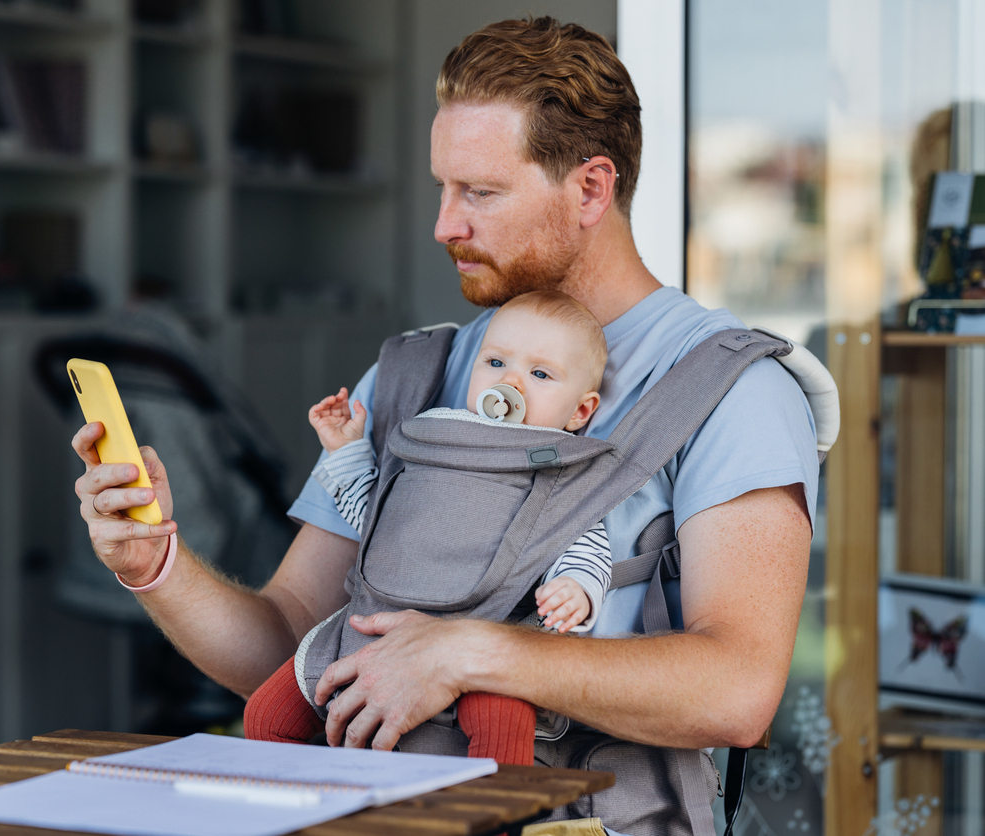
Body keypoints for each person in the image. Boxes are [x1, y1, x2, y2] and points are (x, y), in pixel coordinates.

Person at [72, 17, 815, 834]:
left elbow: (739, 691)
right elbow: (287, 645)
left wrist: (467, 652)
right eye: (442, 188)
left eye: (481, 193)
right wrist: (155, 563)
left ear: (591, 190)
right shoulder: (411, 378)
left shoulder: (730, 391)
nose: (444, 226)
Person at [243, 290, 611, 766]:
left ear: (580, 411)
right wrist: (346, 450)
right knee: (266, 717)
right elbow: (376, 520)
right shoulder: (435, 434)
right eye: (496, 363)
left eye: (540, 374)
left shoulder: (561, 470)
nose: (511, 382)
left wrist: (576, 588)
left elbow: (585, 542)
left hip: (481, 636)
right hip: (369, 625)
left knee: (503, 735)